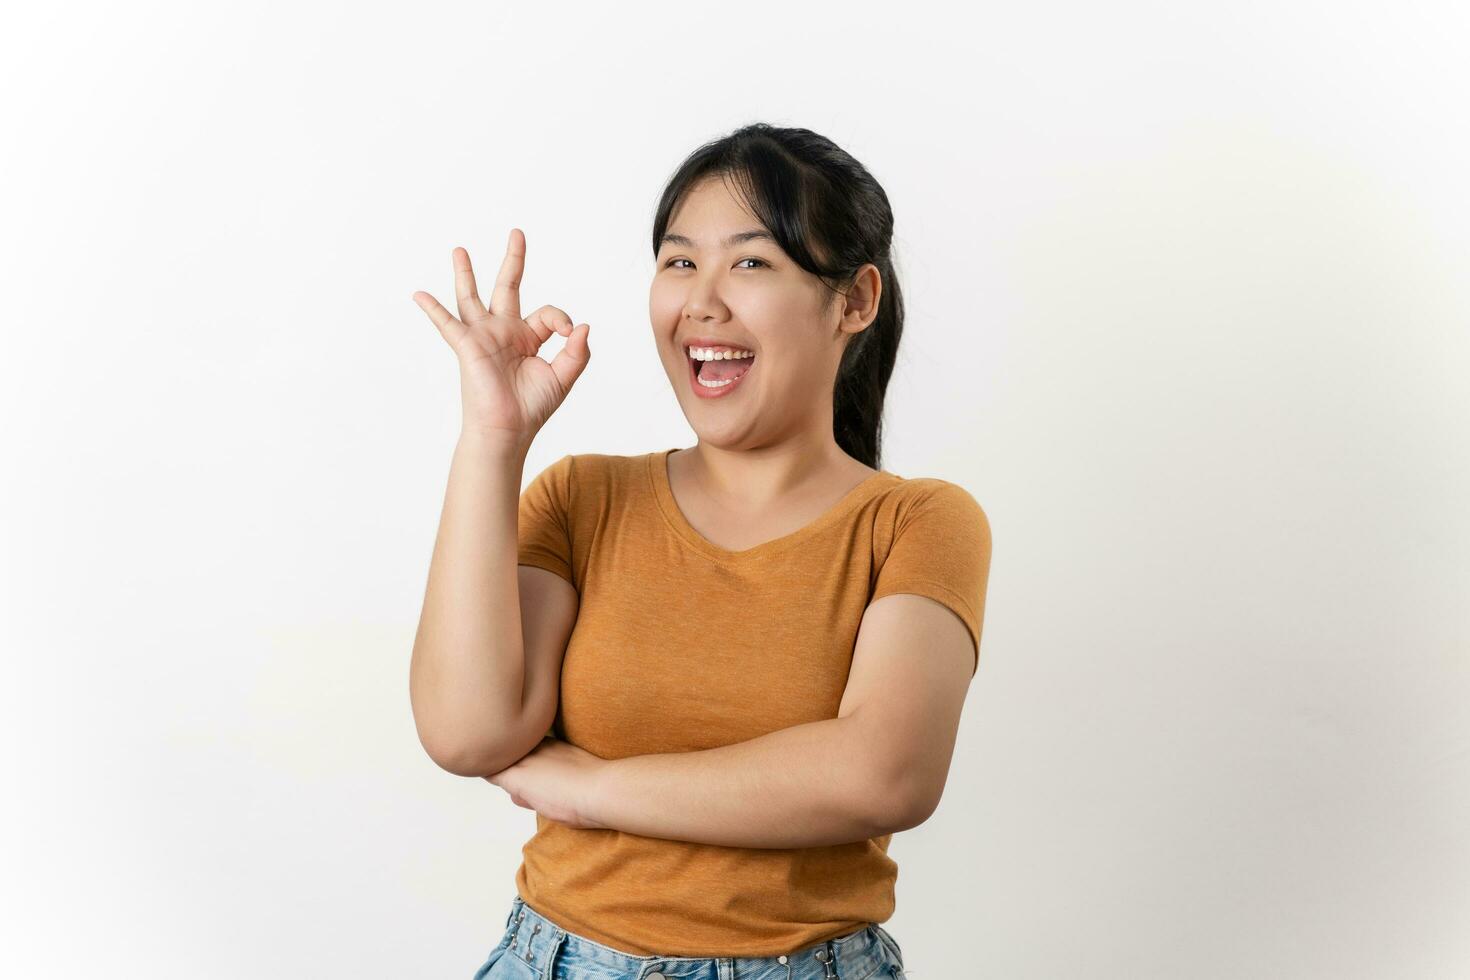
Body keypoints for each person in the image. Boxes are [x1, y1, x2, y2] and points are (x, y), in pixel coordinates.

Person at [409, 123, 991, 980]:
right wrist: (493, 441)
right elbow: (469, 733)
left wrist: (591, 789)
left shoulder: (916, 522)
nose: (702, 301)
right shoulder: (583, 498)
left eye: (750, 263)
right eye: (679, 262)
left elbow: (884, 773)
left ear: (854, 301)